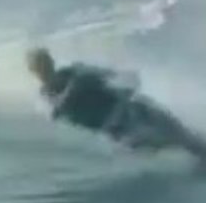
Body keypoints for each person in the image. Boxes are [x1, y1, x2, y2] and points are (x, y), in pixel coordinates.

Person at [25, 47, 165, 150]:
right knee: (152, 142)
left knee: (166, 125)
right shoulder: (44, 96)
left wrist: (125, 77)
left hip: (127, 108)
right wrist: (73, 89)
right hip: (115, 129)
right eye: (40, 65)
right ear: (34, 71)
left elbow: (109, 74)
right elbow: (54, 114)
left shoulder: (74, 71)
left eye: (46, 61)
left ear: (51, 61)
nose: (46, 67)